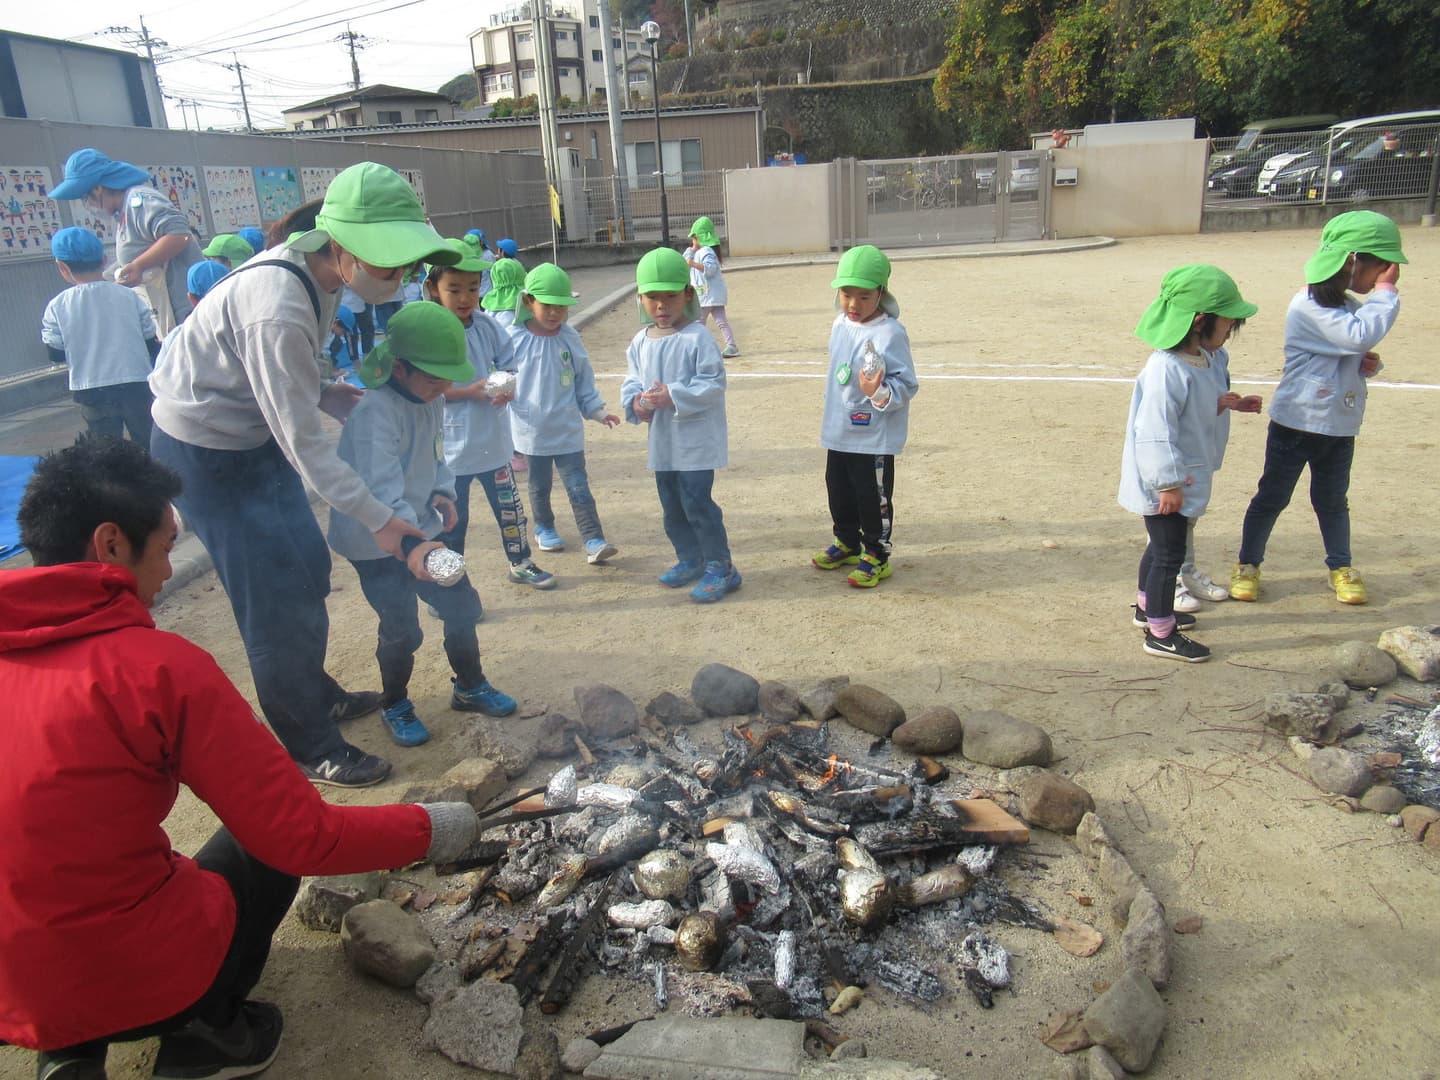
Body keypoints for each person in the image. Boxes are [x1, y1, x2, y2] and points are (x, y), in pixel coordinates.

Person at [0, 437, 496, 1080]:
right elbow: (304, 838)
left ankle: (68, 1050)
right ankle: (209, 1033)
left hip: (13, 991)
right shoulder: (154, 669)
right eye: (166, 546)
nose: (168, 571)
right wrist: (435, 826)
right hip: (139, 975)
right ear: (111, 545)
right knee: (259, 844)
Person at [148, 161, 462, 788]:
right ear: (341, 245)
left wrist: (326, 390)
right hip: (206, 449)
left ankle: (315, 691)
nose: (398, 279)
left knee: (307, 571)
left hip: (253, 435)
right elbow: (305, 445)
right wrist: (381, 521)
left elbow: (291, 378)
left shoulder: (324, 277)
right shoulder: (277, 304)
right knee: (273, 602)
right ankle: (310, 745)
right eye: (389, 265)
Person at [329, 303, 518, 746]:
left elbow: (435, 454)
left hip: (420, 526)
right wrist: (412, 542)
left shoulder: (429, 399)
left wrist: (443, 491)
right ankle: (394, 702)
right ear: (399, 369)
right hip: (375, 538)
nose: (444, 388)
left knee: (462, 604)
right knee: (402, 627)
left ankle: (470, 685)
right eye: (435, 379)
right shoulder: (376, 412)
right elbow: (378, 487)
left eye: (448, 379)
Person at [1231, 210, 1405, 605]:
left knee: (1332, 501)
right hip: (1297, 422)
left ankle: (1340, 565)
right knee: (1272, 496)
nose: (1385, 275)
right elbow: (1358, 336)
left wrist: (1370, 365)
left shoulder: (1347, 305)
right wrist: (1386, 292)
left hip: (1339, 426)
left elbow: (1357, 346)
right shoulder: (1307, 304)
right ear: (1352, 262)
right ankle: (1248, 563)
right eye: (1381, 267)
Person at [1120, 265, 1259, 663]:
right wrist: (1167, 482)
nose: (1231, 330)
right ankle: (1160, 633)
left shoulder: (1204, 359)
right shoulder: (1167, 369)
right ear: (1199, 321)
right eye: (1227, 322)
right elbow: (1154, 431)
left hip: (1183, 474)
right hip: (1164, 480)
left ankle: (1148, 608)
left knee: (1161, 548)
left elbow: (1191, 409)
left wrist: (1227, 403)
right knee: (1169, 554)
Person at [425, 240, 555, 589]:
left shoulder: (486, 325)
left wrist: (507, 384)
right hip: (451, 451)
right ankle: (451, 579)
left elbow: (509, 363)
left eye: (472, 288)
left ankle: (520, 561)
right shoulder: (431, 332)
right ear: (433, 289)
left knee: (510, 512)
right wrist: (469, 392)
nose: (465, 297)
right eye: (454, 289)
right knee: (453, 518)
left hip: (494, 446)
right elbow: (427, 390)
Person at [621, 247, 741, 603]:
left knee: (697, 503)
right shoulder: (640, 341)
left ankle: (721, 567)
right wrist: (635, 402)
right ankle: (690, 558)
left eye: (671, 296)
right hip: (663, 441)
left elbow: (713, 383)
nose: (662, 305)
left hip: (695, 442)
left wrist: (673, 395)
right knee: (672, 505)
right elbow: (632, 379)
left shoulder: (697, 337)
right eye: (653, 297)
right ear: (640, 298)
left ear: (688, 294)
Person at [811, 245, 919, 588]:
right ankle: (847, 541)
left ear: (881, 293)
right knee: (838, 489)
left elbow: (907, 383)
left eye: (864, 296)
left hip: (872, 437)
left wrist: (879, 391)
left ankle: (876, 553)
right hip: (839, 429)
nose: (853, 304)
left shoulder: (890, 333)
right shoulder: (839, 325)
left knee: (872, 497)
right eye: (846, 294)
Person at [507, 262, 620, 563]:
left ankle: (593, 538)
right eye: (548, 305)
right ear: (528, 302)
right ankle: (544, 527)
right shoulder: (514, 338)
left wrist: (596, 410)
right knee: (539, 486)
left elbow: (583, 378)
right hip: (532, 431)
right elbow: (501, 378)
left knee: (578, 485)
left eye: (561, 306)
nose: (555, 313)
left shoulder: (570, 338)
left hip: (567, 429)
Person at [48, 148, 204, 333]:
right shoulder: (123, 212)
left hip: (185, 310)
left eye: (85, 198)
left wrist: (139, 265)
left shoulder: (139, 201)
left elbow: (179, 235)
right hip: (167, 313)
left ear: (98, 188)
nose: (87, 205)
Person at [40, 226, 160, 444]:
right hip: (135, 382)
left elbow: (55, 353)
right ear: (104, 260)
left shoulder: (57, 306)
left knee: (105, 450)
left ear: (62, 267)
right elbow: (151, 342)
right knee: (147, 442)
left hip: (91, 387)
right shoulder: (130, 296)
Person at [683, 215, 740, 357]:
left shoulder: (706, 251)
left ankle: (695, 348)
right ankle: (731, 345)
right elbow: (684, 258)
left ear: (699, 237)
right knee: (720, 321)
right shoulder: (700, 251)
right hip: (711, 295)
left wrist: (693, 263)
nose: (692, 241)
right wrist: (692, 249)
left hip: (707, 296)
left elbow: (710, 269)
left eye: (694, 238)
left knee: (698, 323)